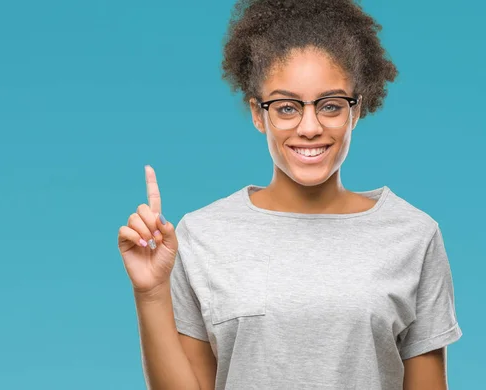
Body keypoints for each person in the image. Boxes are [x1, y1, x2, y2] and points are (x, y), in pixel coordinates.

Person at [117, 0, 463, 389]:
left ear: (356, 110)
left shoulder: (414, 235)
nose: (310, 126)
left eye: (331, 105)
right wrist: (150, 293)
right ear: (257, 113)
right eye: (286, 108)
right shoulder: (201, 235)